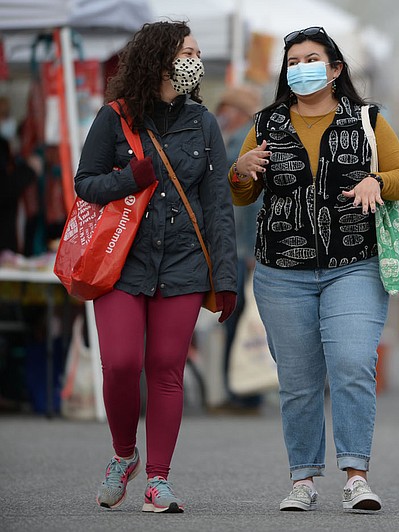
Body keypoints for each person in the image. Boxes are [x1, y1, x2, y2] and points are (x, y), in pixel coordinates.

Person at [228, 26, 399, 512]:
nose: (301, 68)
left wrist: (378, 180)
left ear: (335, 69)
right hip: (281, 271)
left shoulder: (367, 119)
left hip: (353, 264)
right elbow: (242, 192)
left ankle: (356, 475)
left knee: (353, 363)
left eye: (312, 59)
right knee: (298, 378)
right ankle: (303, 480)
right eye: (293, 62)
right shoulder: (266, 122)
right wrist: (241, 167)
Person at [74, 21, 237, 513]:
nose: (194, 60)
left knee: (166, 368)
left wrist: (225, 278)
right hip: (123, 260)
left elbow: (217, 205)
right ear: (158, 59)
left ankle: (158, 480)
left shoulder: (203, 123)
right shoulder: (115, 118)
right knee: (122, 363)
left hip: (185, 262)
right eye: (186, 51)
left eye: (197, 52)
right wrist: (130, 178)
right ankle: (124, 456)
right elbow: (85, 184)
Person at [213, 85, 264, 413]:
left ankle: (243, 394)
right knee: (238, 318)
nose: (222, 114)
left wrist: (250, 249)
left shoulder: (244, 141)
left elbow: (252, 203)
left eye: (227, 108)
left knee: (238, 318)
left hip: (241, 247)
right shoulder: (236, 138)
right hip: (236, 245)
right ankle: (241, 391)